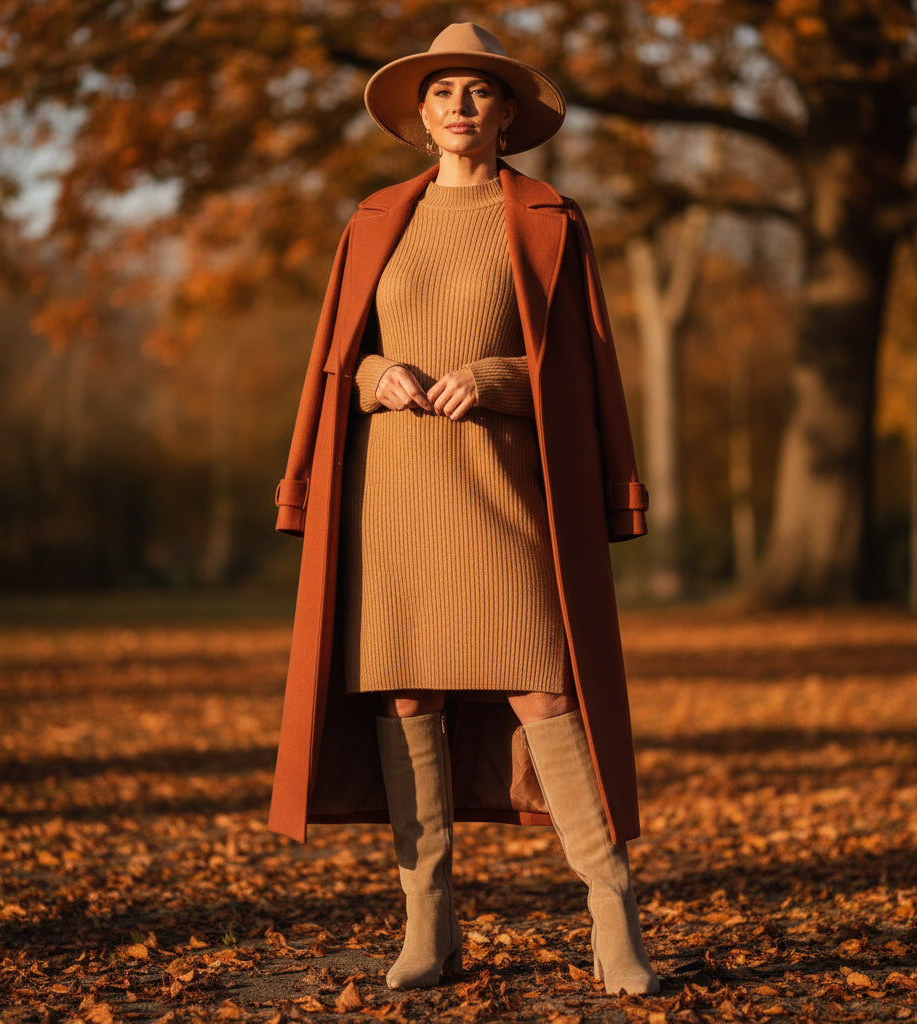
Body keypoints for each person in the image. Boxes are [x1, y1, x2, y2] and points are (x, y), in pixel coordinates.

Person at [268, 22, 659, 997]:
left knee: (545, 690)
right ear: (420, 114)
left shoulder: (549, 219)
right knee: (407, 696)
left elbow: (577, 371)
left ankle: (612, 912)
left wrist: (491, 377)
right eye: (442, 91)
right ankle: (428, 925)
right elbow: (338, 357)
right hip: (395, 493)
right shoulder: (375, 220)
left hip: (503, 491)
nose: (459, 106)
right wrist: (376, 377)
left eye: (478, 91)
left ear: (507, 114)